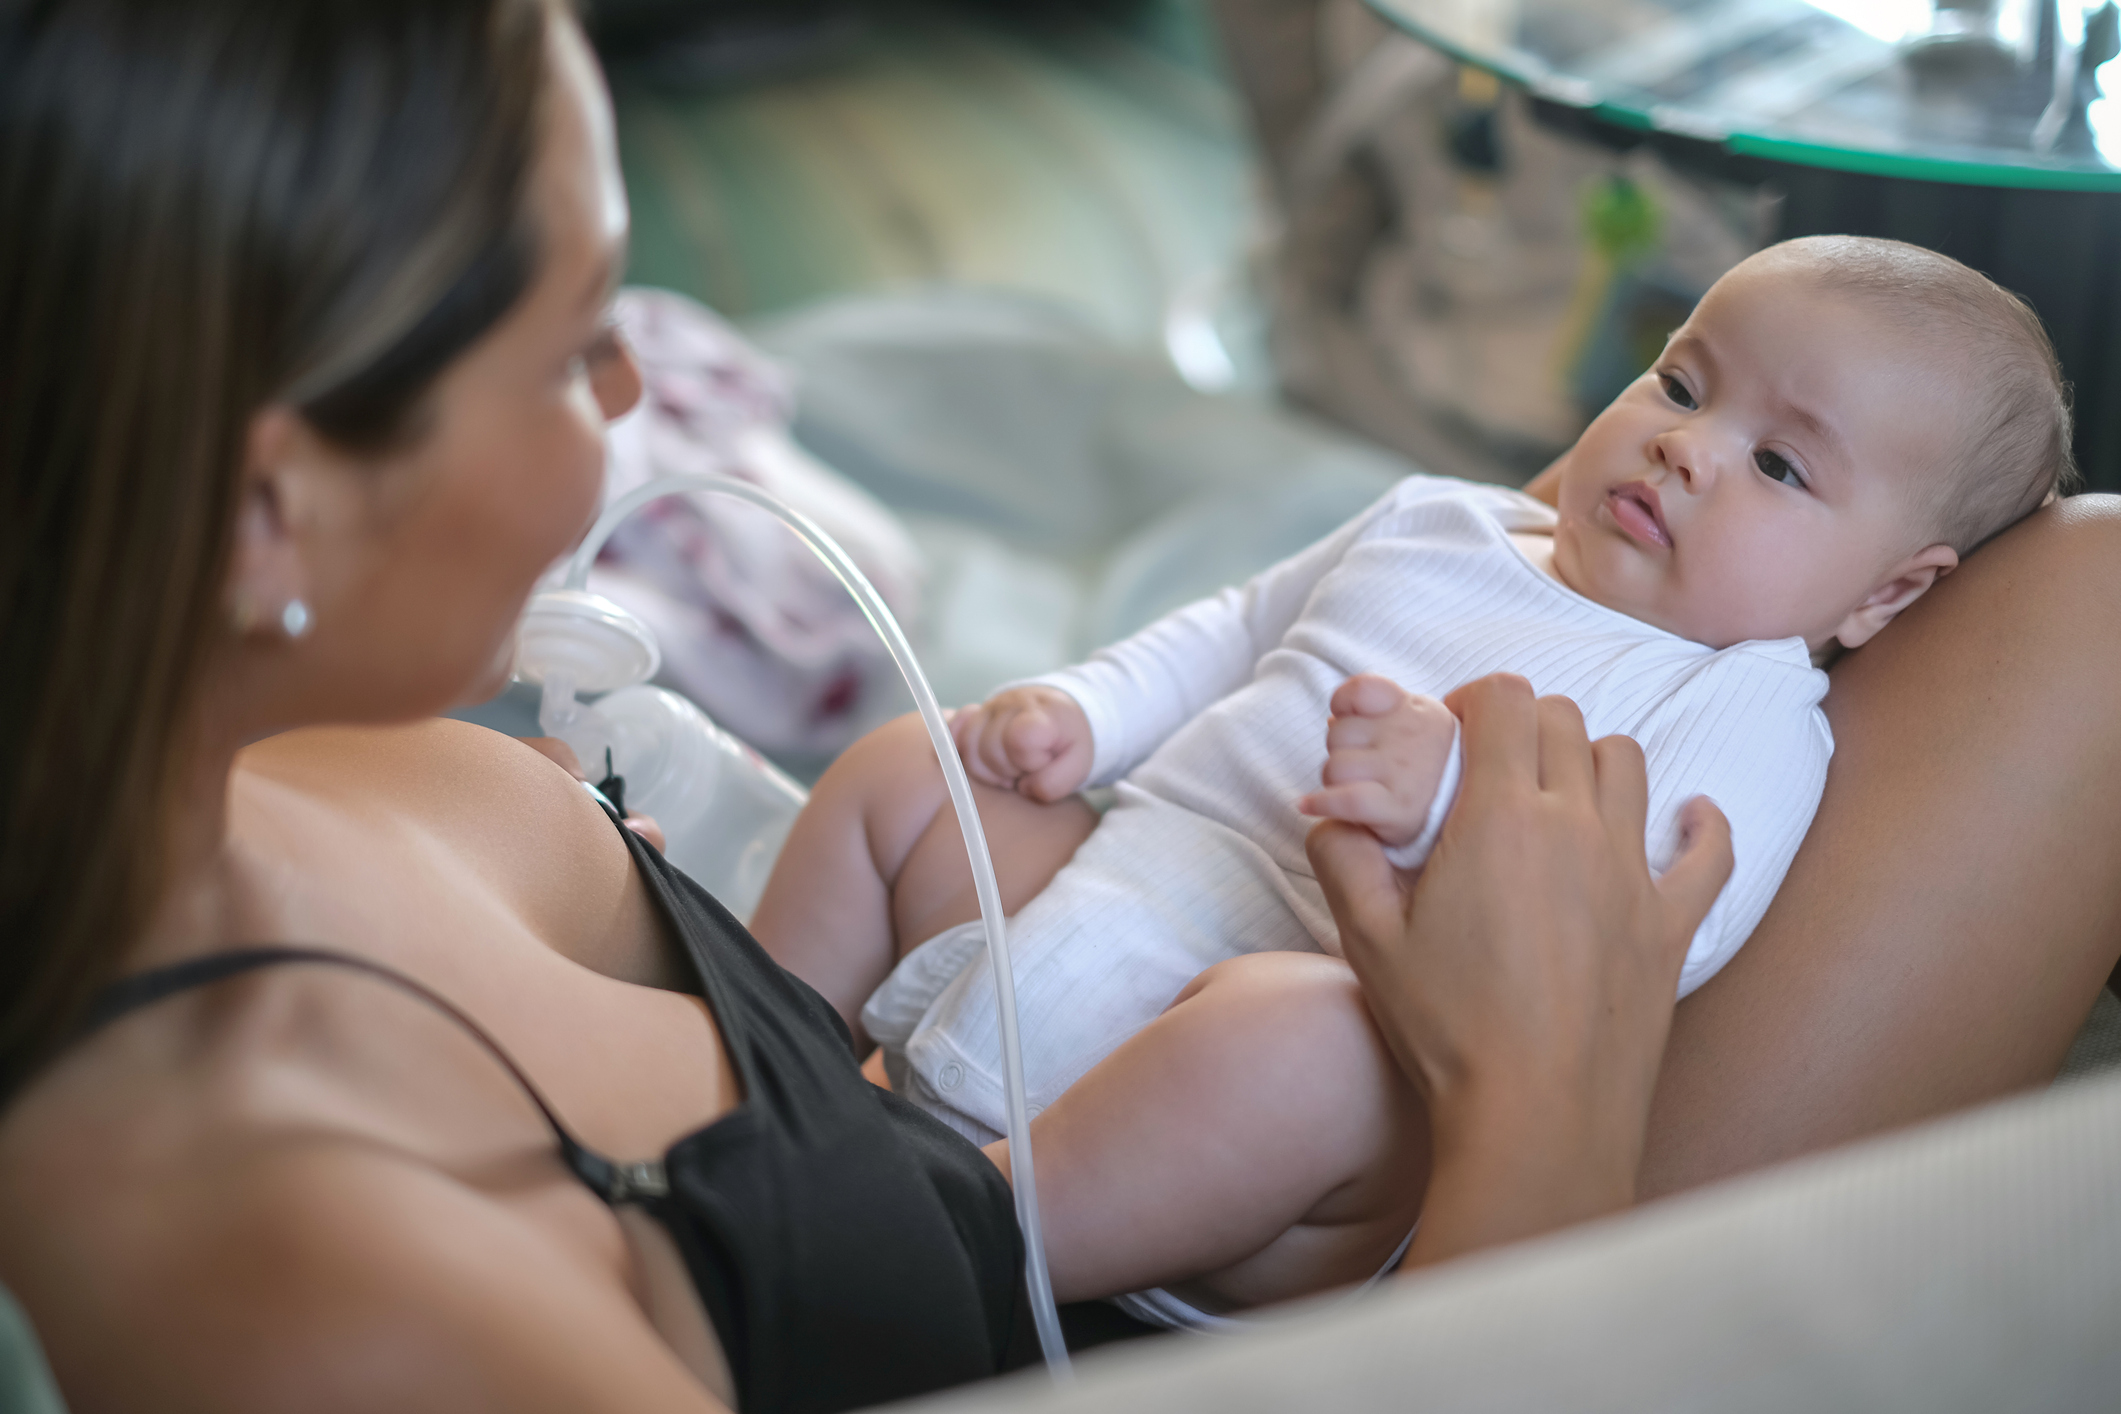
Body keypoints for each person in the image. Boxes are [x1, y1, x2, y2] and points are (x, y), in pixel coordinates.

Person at [1, 2, 2118, 1411]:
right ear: (271, 501)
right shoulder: (329, 1289)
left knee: (2091, 573)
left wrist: (1023, 798)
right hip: (1398, 1266)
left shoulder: (284, 783)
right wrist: (1534, 1100)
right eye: (578, 352)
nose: (650, 405)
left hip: (1058, 1038)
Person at [747, 237, 2076, 1325]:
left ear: (1887, 590)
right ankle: (757, 1062)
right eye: (1680, 385)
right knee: (916, 770)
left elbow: (1659, 924)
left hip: (1265, 1129)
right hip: (1098, 890)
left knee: (1305, 1040)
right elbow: (1238, 622)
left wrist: (1457, 802)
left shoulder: (1744, 706)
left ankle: (930, 1248)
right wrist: (1087, 714)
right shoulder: (1441, 520)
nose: (1686, 447)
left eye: (1779, 465)